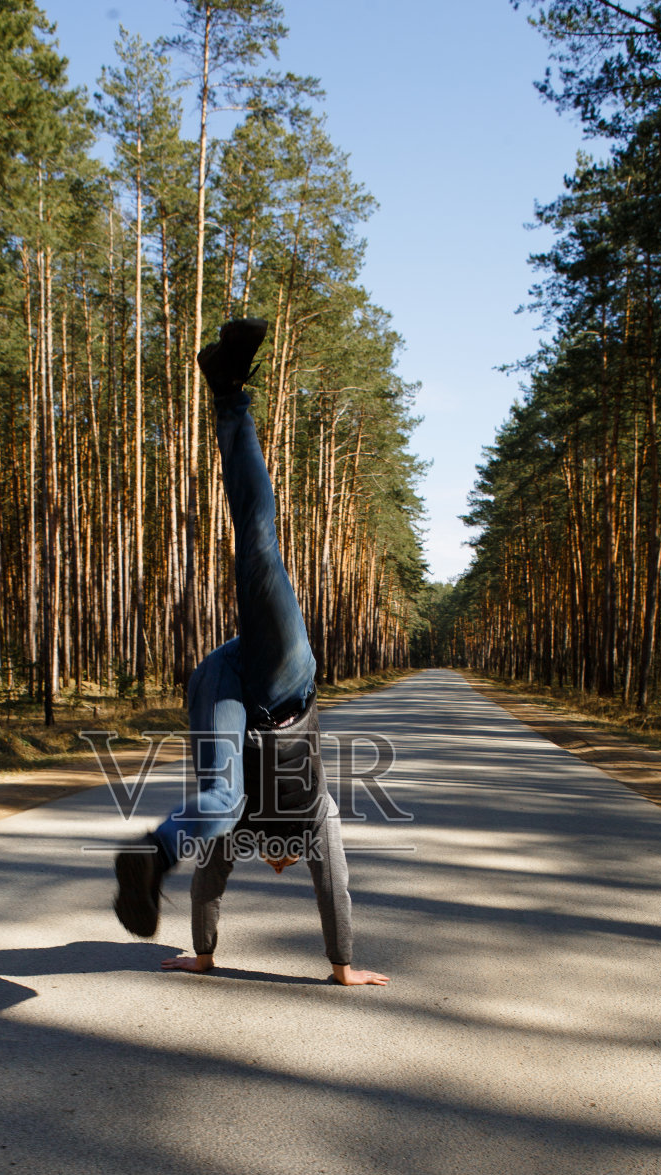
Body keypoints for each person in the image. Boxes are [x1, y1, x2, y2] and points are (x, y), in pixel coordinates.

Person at [113, 318, 388, 988]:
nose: (278, 865)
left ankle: (149, 852)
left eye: (277, 863)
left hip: (224, 684)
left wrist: (204, 954)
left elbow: (209, 879)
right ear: (292, 855)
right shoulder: (317, 820)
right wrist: (342, 966)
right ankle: (229, 392)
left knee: (217, 803)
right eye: (283, 862)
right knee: (258, 547)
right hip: (282, 678)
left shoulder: (241, 830)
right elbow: (336, 891)